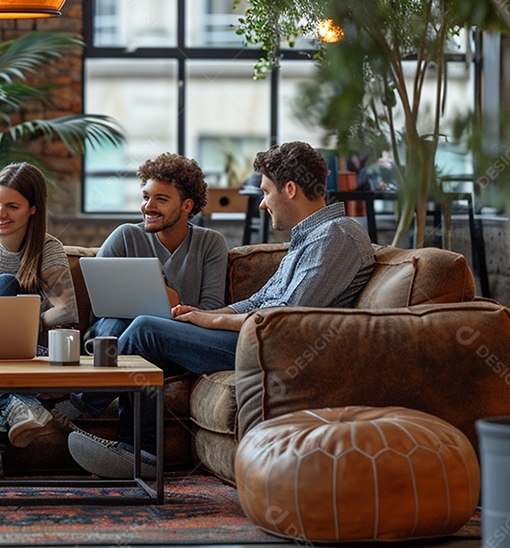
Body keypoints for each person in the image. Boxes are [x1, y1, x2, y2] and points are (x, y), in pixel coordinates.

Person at [68, 141, 377, 478]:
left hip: (271, 347)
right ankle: (139, 452)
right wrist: (200, 317)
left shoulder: (338, 236)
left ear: (290, 189)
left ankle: (77, 406)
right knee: (147, 329)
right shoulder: (310, 237)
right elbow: (260, 301)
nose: (262, 203)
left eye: (266, 191)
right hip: (255, 336)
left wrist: (212, 318)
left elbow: (286, 317)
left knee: (145, 329)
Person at [54, 153, 228, 464]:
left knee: (145, 338)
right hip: (110, 338)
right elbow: (99, 303)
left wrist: (167, 298)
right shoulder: (126, 236)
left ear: (187, 206)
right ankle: (140, 455)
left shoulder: (210, 244)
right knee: (122, 328)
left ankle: (81, 405)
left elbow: (211, 310)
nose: (148, 206)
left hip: (172, 346)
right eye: (146, 196)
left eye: (161, 199)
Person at [0, 162, 78, 481]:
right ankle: (18, 403)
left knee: (7, 286)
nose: (0, 213)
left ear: (33, 209)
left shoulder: (48, 249)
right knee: (5, 286)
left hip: (29, 351)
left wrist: (14, 314)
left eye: (12, 206)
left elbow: (65, 316)